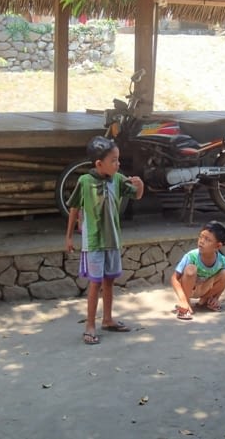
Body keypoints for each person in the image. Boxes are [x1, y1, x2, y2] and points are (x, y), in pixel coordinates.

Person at [65, 136, 144, 345]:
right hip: (93, 242)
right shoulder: (84, 181)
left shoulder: (118, 179)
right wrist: (69, 236)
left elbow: (137, 195)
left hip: (113, 240)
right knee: (95, 283)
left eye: (118, 159)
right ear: (99, 164)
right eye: (114, 160)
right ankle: (90, 325)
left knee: (109, 281)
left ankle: (107, 319)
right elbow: (74, 207)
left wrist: (140, 185)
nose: (118, 164)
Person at [170, 220, 225, 320]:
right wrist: (182, 299)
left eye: (207, 239)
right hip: (190, 289)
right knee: (190, 269)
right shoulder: (191, 256)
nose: (201, 241)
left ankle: (207, 300)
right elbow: (174, 278)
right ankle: (186, 304)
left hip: (205, 289)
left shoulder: (222, 261)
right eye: (201, 237)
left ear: (218, 246)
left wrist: (216, 297)